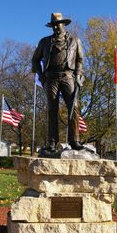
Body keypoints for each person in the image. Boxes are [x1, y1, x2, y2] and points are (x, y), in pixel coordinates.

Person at [32, 12, 84, 151]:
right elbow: (35, 60)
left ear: (64, 24)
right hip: (51, 78)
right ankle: (52, 141)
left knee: (74, 107)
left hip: (68, 77)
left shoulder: (75, 40)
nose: (55, 28)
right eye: (53, 25)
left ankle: (74, 140)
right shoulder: (44, 42)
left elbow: (79, 59)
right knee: (52, 109)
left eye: (58, 24)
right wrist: (41, 77)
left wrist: (78, 75)